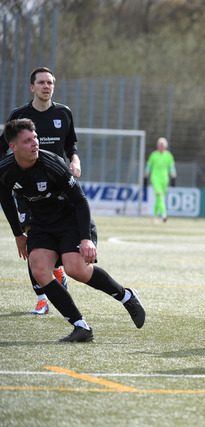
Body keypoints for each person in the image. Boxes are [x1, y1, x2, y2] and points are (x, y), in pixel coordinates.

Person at [0, 118, 145, 342]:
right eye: (27, 140)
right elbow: (6, 200)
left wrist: (86, 239)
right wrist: (18, 234)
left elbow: (80, 201)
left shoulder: (52, 163)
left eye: (35, 138)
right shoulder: (5, 170)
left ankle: (126, 296)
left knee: (75, 269)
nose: (35, 143)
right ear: (13, 146)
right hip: (42, 225)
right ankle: (81, 327)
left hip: (71, 221)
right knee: (39, 269)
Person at [0, 66, 84, 315]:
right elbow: (4, 147)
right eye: (41, 82)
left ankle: (56, 271)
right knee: (32, 239)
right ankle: (42, 299)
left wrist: (75, 159)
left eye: (50, 82)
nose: (46, 86)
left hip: (58, 188)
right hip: (27, 189)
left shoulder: (63, 113)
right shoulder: (19, 116)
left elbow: (71, 143)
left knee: (56, 236)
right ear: (32, 87)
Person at [144, 137, 177, 223]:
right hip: (155, 178)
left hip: (164, 180)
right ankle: (164, 215)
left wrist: (173, 178)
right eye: (160, 144)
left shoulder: (169, 156)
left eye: (163, 144)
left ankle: (154, 217)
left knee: (159, 199)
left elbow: (172, 168)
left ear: (166, 146)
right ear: (157, 145)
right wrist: (145, 178)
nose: (161, 146)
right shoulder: (153, 155)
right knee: (160, 196)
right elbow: (148, 167)